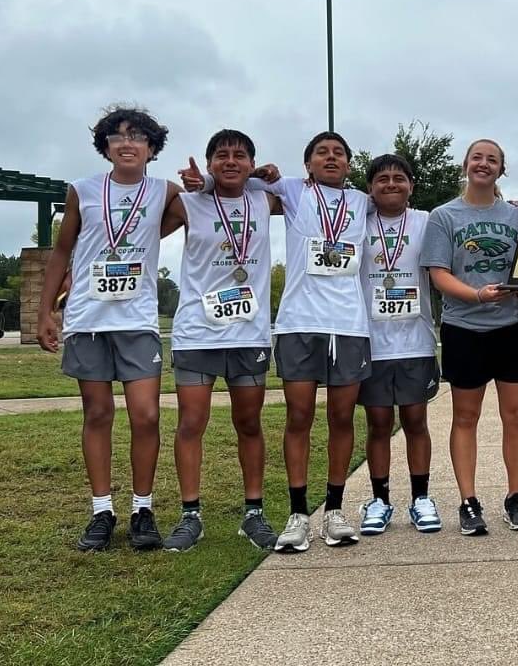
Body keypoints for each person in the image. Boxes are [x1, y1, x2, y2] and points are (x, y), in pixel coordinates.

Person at [181, 131, 373, 553]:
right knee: (298, 417)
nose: (330, 158)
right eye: (321, 152)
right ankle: (298, 514)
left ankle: (335, 511)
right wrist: (206, 181)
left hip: (349, 326)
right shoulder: (290, 190)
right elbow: (238, 180)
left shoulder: (363, 201)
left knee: (342, 418)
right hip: (297, 324)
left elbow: (400, 205)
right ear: (307, 164)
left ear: (349, 164)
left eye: (338, 153)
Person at [37, 105, 179, 551]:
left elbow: (203, 200)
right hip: (88, 319)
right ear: (105, 146)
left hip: (137, 321)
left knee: (146, 415)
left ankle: (142, 509)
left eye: (137, 136)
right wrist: (45, 311)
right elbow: (62, 251)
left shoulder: (164, 191)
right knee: (97, 414)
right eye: (118, 136)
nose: (127, 143)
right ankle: (102, 511)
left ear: (152, 148)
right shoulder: (82, 190)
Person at [159, 129, 280, 552]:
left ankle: (254, 514)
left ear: (251, 164)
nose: (231, 161)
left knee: (249, 422)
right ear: (209, 163)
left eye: (240, 156)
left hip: (249, 333)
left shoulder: (265, 200)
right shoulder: (188, 203)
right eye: (222, 156)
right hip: (197, 332)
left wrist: (267, 175)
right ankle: (190, 516)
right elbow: (144, 234)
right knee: (191, 423)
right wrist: (204, 184)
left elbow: (306, 191)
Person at [420, 139, 518, 535]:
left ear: (501, 169)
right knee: (465, 417)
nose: (483, 164)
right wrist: (476, 295)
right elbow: (439, 273)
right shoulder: (443, 216)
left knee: (515, 417)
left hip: (514, 328)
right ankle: (468, 501)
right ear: (465, 164)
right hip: (465, 329)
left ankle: (515, 496)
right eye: (477, 157)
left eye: (492, 159)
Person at [357, 154, 442, 534]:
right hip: (371, 341)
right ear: (370, 188)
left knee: (415, 420)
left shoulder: (427, 221)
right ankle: (380, 500)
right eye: (382, 179)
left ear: (411, 185)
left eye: (398, 178)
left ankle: (421, 498)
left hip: (415, 340)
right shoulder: (358, 222)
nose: (390, 184)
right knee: (378, 423)